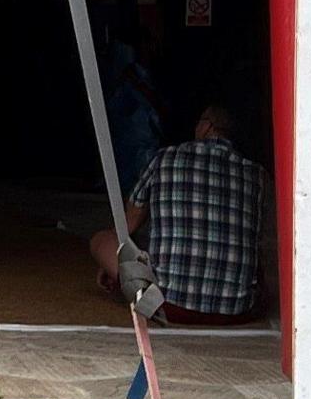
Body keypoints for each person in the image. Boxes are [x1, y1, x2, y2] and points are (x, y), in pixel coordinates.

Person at [88, 102, 266, 322]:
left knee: (102, 240)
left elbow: (127, 226)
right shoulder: (256, 174)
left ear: (208, 127)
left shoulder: (165, 158)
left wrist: (114, 267)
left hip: (166, 304)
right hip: (236, 310)